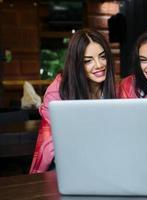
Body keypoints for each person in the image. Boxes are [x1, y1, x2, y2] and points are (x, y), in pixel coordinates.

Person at [30, 28, 116, 174]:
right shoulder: (57, 92)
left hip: (105, 159)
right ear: (76, 64)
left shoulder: (112, 87)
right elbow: (56, 145)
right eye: (88, 61)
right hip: (67, 163)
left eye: (103, 57)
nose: (99, 65)